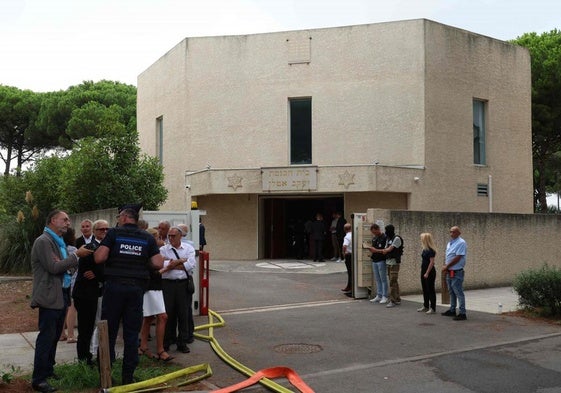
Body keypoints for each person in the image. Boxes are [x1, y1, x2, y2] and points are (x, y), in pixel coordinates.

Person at [94, 207, 163, 385]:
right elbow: (157, 262)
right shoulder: (147, 237)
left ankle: (105, 376)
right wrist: (141, 258)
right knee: (132, 334)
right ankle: (128, 377)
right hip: (136, 290)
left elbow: (99, 258)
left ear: (124, 218)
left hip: (114, 288)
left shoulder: (114, 233)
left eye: (119, 217)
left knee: (108, 331)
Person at [30, 210, 92, 393]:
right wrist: (75, 257)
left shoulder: (57, 242)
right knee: (46, 337)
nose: (68, 223)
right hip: (50, 296)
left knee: (55, 336)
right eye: (64, 220)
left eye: (68, 220)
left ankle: (48, 370)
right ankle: (39, 379)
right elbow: (54, 267)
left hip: (61, 293)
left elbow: (65, 268)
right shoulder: (43, 241)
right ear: (52, 220)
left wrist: (67, 263)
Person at [72, 219, 108, 365]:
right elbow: (90, 272)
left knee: (97, 325)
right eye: (101, 229)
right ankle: (83, 359)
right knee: (85, 328)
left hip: (98, 293)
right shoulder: (89, 247)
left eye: (107, 229)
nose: (104, 232)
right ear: (94, 231)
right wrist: (101, 274)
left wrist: (100, 274)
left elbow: (103, 271)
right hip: (86, 294)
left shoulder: (107, 247)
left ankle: (93, 355)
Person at [160, 226, 197, 354]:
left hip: (182, 284)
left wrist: (171, 264)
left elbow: (190, 265)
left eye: (173, 236)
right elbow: (162, 265)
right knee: (167, 314)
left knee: (183, 313)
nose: (170, 238)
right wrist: (180, 261)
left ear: (180, 236)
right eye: (169, 236)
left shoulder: (189, 248)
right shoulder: (163, 249)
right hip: (167, 284)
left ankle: (182, 342)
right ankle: (167, 341)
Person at [139, 228, 173, 362]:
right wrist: (168, 267)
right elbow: (152, 273)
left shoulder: (154, 252)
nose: (161, 240)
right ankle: (160, 349)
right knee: (162, 316)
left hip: (156, 287)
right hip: (150, 288)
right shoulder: (147, 253)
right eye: (158, 238)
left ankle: (144, 346)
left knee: (148, 318)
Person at [441, 226, 468, 321]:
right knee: (451, 291)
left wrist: (447, 266)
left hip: (456, 271)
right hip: (450, 271)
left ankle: (462, 313)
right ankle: (452, 309)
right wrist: (446, 266)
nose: (451, 234)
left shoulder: (461, 242)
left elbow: (458, 257)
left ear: (458, 233)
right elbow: (449, 255)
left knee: (458, 292)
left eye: (454, 232)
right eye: (450, 232)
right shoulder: (450, 243)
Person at [60, 228, 78, 344]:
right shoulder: (74, 250)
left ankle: (61, 334)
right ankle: (71, 334)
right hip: (73, 281)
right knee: (72, 308)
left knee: (63, 308)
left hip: (61, 282)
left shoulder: (58, 249)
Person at [380, 224, 403, 308]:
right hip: (389, 262)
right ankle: (397, 299)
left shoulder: (396, 238)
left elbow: (389, 249)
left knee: (392, 282)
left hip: (394, 263)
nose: (385, 232)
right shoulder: (388, 239)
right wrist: (384, 250)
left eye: (386, 230)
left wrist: (383, 251)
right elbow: (385, 248)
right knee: (394, 281)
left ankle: (393, 300)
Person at [368, 223, 389, 304]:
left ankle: (385, 296)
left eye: (375, 232)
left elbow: (385, 250)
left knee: (383, 279)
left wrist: (375, 250)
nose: (374, 234)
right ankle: (379, 295)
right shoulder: (374, 238)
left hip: (381, 260)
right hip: (375, 260)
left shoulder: (385, 238)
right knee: (377, 279)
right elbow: (374, 248)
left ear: (378, 229)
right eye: (373, 232)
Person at [418, 233, 437, 314]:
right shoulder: (424, 249)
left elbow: (432, 262)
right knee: (425, 289)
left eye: (422, 238)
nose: (421, 240)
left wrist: (427, 272)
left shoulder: (431, 250)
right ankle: (426, 306)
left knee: (430, 289)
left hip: (429, 271)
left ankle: (433, 308)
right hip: (423, 270)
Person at [341, 223, 353, 292]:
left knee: (349, 272)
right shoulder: (352, 235)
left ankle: (350, 287)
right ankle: (349, 286)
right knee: (351, 272)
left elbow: (344, 246)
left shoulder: (347, 237)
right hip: (352, 254)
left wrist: (343, 253)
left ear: (344, 229)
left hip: (348, 255)